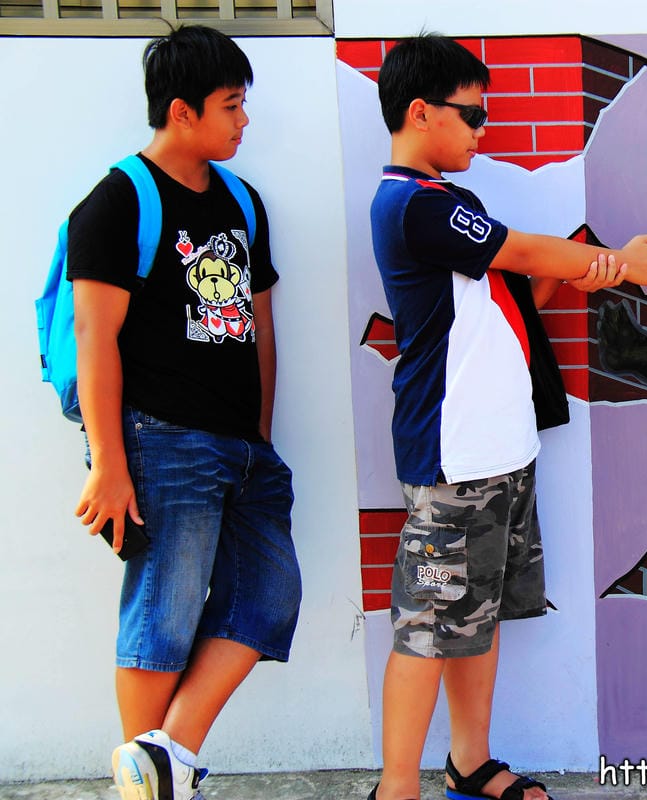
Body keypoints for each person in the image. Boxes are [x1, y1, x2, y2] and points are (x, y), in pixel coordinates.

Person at [368, 33, 647, 800]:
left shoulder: (453, 203)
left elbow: (509, 295)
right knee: (428, 628)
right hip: (453, 458)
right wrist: (612, 263)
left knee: (475, 618)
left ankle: (471, 763)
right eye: (473, 116)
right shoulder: (411, 206)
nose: (484, 131)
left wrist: (596, 269)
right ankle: (394, 789)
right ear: (421, 112)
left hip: (501, 450)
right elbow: (521, 253)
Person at [68, 24, 300, 800]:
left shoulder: (242, 201)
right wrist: (108, 463)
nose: (243, 122)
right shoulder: (116, 202)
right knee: (164, 614)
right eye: (231, 106)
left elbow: (261, 327)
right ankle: (153, 784)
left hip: (244, 446)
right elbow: (94, 338)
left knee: (269, 597)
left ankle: (161, 763)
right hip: (159, 439)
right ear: (181, 110)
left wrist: (262, 438)